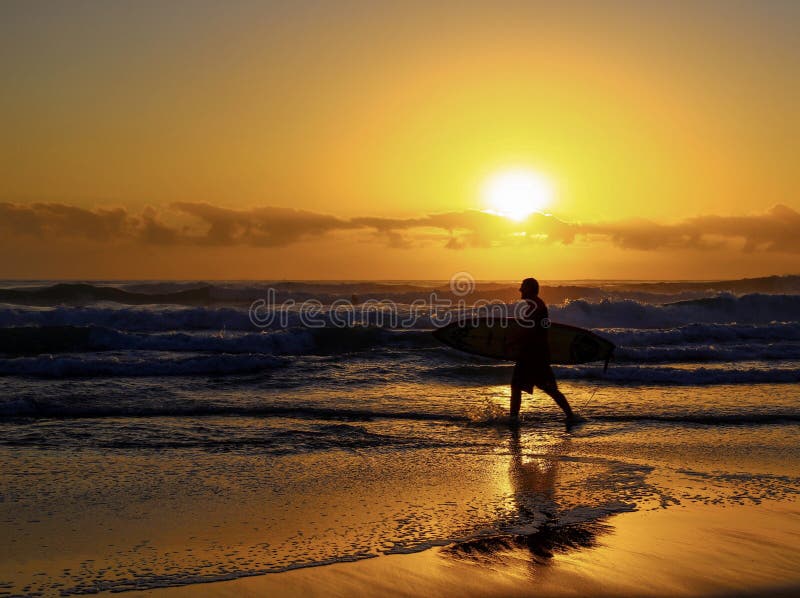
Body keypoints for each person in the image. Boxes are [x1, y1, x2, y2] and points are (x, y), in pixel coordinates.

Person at [510, 277, 579, 423]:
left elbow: (530, 330)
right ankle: (571, 416)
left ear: (529, 289)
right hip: (535, 354)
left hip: (533, 355)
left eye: (523, 286)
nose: (520, 289)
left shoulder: (537, 306)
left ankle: (513, 420)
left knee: (521, 386)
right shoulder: (535, 305)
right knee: (545, 387)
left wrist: (513, 341)